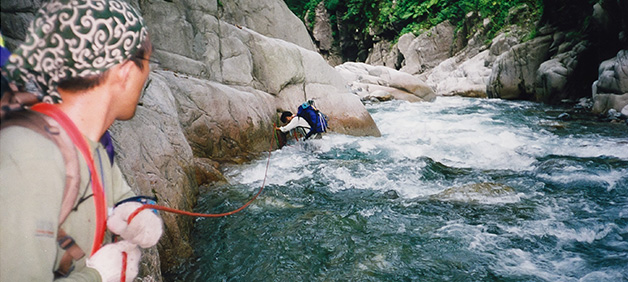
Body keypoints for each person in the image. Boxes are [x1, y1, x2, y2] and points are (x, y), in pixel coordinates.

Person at [0, 0, 162, 281]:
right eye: (146, 63)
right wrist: (97, 276)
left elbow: (117, 193)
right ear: (124, 71)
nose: (147, 75)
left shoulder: (93, 145)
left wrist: (134, 210)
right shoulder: (27, 157)